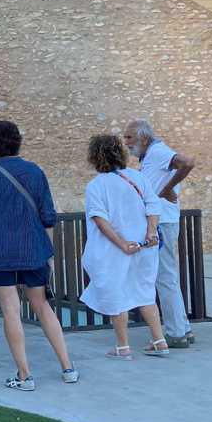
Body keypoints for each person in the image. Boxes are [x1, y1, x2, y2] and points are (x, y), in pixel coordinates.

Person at [0, 121, 78, 391]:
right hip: (34, 251)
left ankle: (24, 374)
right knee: (42, 306)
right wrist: (48, 254)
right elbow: (48, 217)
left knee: (11, 310)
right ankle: (68, 367)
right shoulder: (35, 173)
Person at [80, 134, 170, 359]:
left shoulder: (96, 185)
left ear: (94, 157)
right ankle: (159, 341)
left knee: (116, 294)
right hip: (144, 246)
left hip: (114, 251)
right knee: (145, 292)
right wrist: (150, 232)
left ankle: (123, 346)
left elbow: (100, 220)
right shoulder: (137, 178)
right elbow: (153, 205)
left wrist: (121, 244)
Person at [123, 119, 196, 348]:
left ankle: (175, 333)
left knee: (164, 278)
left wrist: (166, 190)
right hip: (163, 221)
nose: (126, 143)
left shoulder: (157, 152)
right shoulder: (150, 156)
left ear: (143, 138)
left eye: (129, 138)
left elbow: (188, 162)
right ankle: (182, 327)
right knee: (167, 276)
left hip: (162, 222)